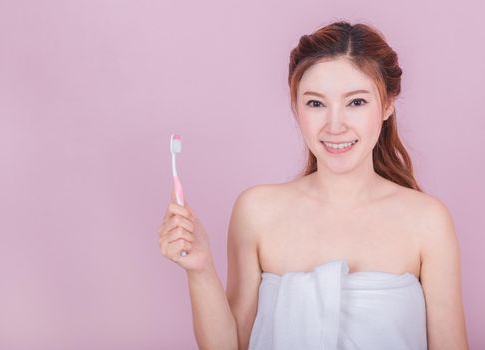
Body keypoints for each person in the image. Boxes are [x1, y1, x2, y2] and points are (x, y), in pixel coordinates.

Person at [158, 20, 469, 350]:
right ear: (296, 107)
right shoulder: (257, 211)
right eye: (316, 103)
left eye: (357, 102)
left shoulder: (427, 221)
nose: (335, 126)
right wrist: (201, 268)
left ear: (388, 104)